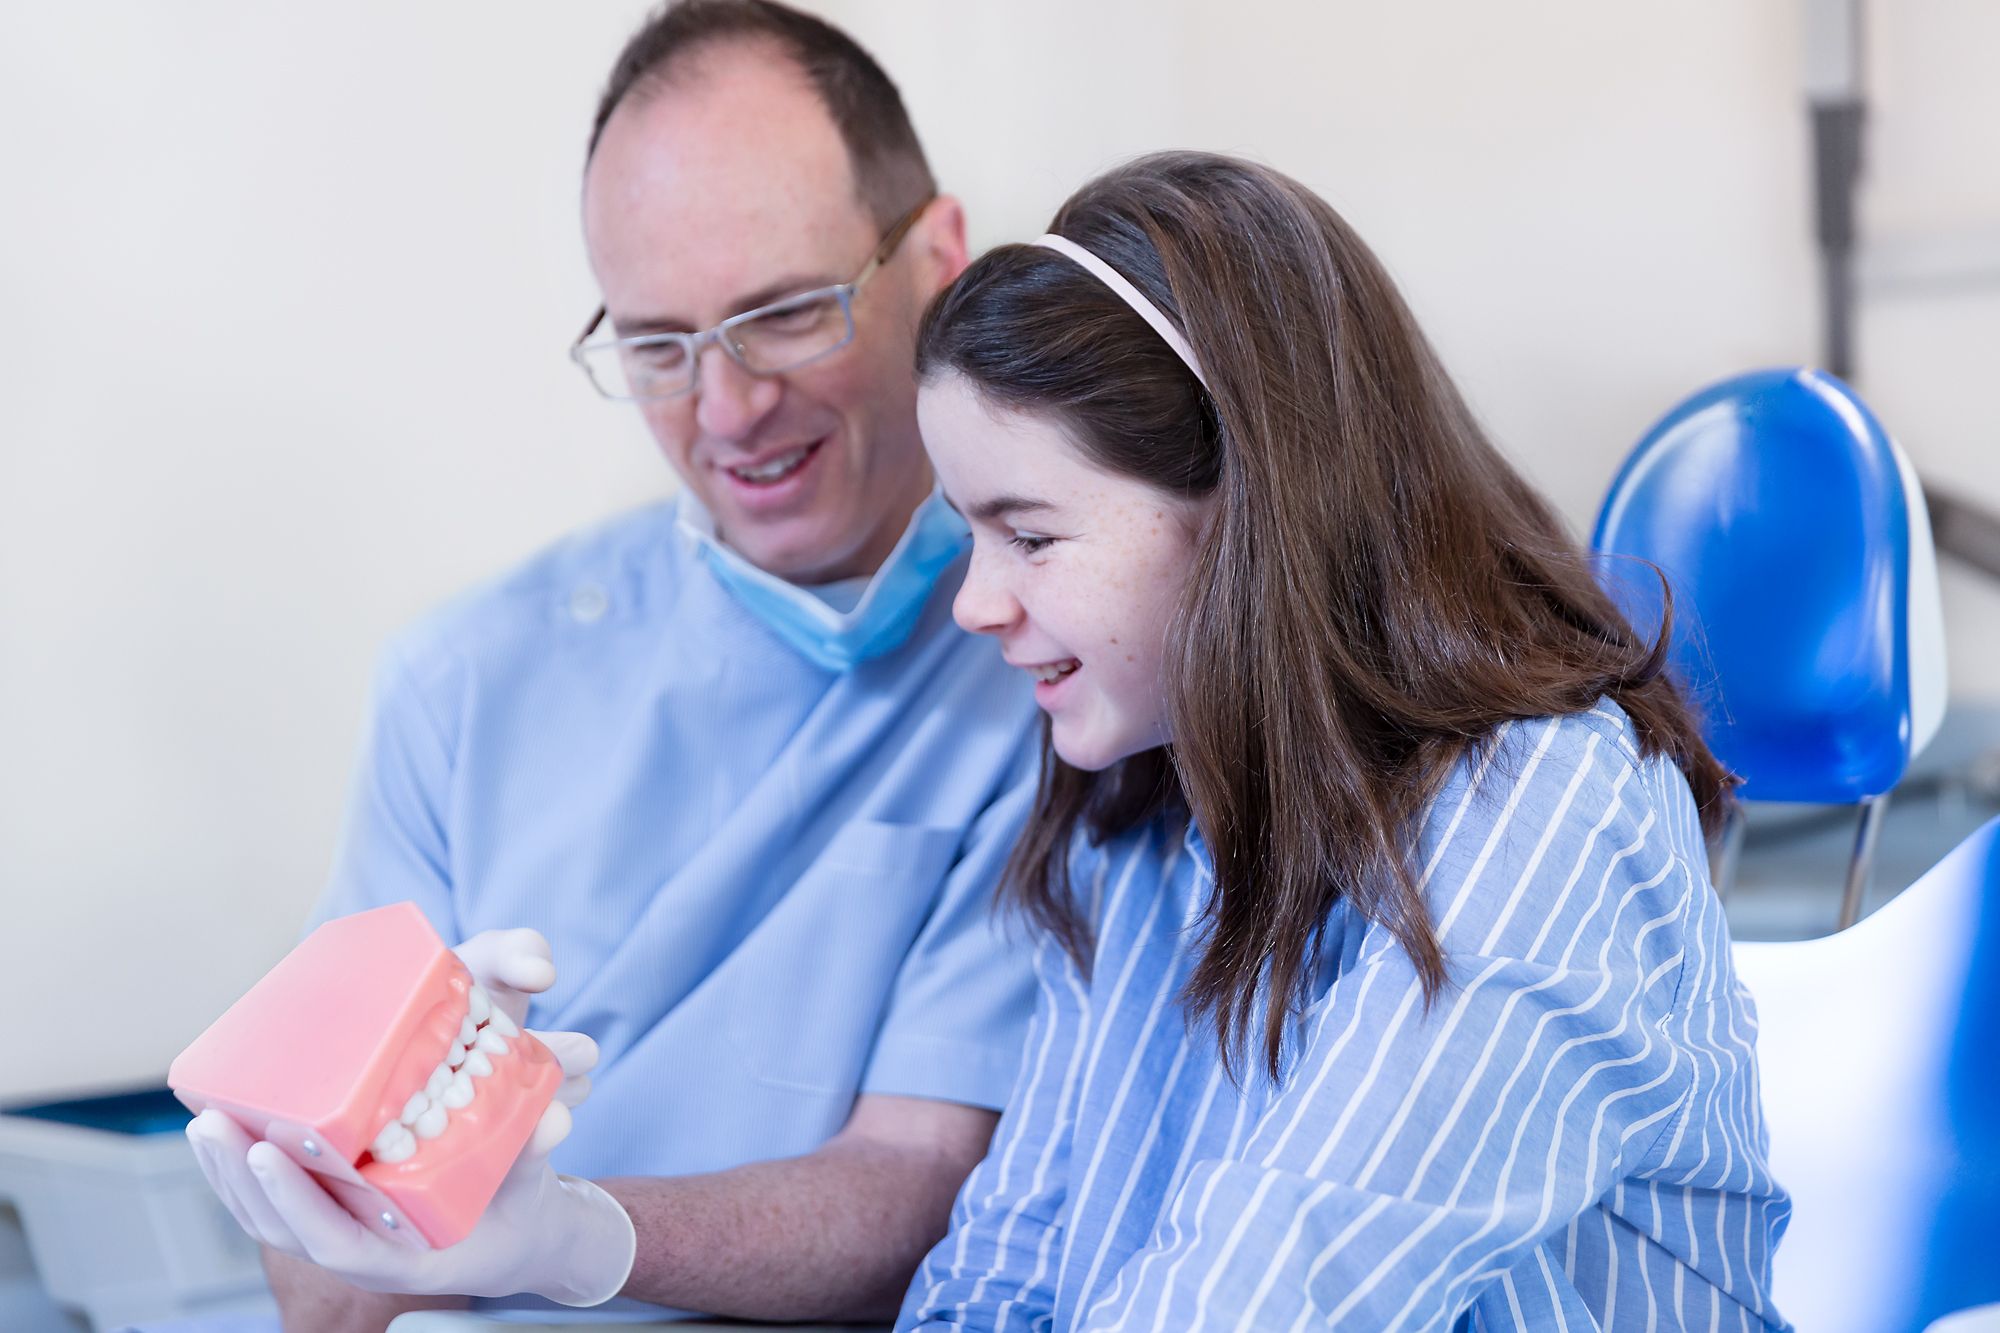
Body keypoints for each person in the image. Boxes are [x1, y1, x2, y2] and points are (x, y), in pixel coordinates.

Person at [177, 2, 1041, 1327]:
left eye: (787, 314)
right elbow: (328, 1280)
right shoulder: (466, 682)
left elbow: (921, 1187)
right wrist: (323, 1194)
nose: (729, 407)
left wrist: (564, 1238)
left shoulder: (1052, 671)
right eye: (658, 347)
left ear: (937, 258)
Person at [899, 151, 1791, 1330]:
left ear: (1249, 510)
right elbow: (1004, 1268)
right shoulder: (1133, 828)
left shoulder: (1546, 809)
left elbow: (1280, 1288)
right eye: (969, 532)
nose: (974, 603)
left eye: (1031, 536)